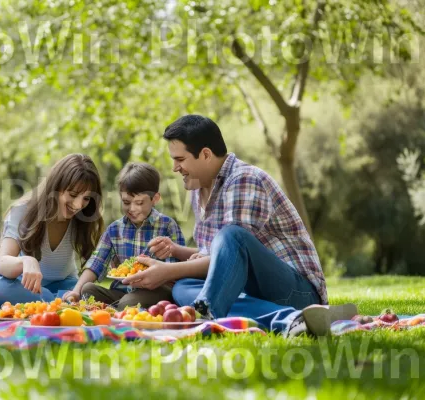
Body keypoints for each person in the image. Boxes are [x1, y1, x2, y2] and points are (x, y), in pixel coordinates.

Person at [123, 115, 356, 335]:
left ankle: (209, 313)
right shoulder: (199, 188)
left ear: (205, 154)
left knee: (232, 235)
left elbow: (231, 250)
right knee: (182, 288)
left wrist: (167, 271)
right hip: (251, 289)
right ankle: (290, 319)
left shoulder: (244, 179)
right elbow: (219, 257)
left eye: (180, 159)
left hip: (296, 290)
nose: (175, 168)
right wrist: (176, 252)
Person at [0, 154, 104, 309]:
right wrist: (26, 261)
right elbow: (2, 263)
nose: (78, 205)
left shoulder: (82, 219)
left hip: (66, 288)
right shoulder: (22, 211)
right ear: (56, 186)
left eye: (86, 198)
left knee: (91, 292)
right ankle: (59, 305)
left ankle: (52, 304)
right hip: (27, 288)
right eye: (73, 195)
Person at [62, 162, 186, 309]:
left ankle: (118, 308)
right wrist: (76, 291)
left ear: (155, 199)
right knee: (87, 290)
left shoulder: (167, 226)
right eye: (126, 202)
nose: (132, 209)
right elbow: (96, 263)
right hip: (121, 292)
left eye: (139, 202)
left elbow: (176, 272)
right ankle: (116, 308)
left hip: (156, 291)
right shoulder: (115, 229)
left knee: (129, 302)